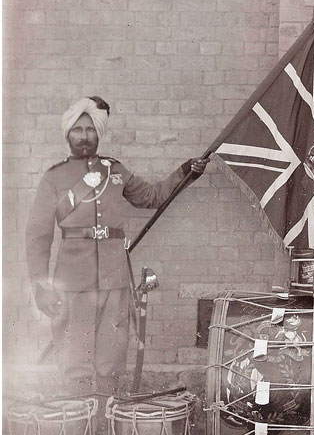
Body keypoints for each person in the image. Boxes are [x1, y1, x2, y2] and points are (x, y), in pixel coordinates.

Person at [25, 95, 209, 403]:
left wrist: (186, 171)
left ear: (99, 133)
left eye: (90, 130)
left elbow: (152, 196)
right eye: (77, 130)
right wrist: (40, 286)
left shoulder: (115, 171)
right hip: (73, 285)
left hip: (114, 283)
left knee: (109, 368)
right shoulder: (54, 178)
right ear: (68, 135)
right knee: (76, 368)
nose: (84, 136)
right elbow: (37, 235)